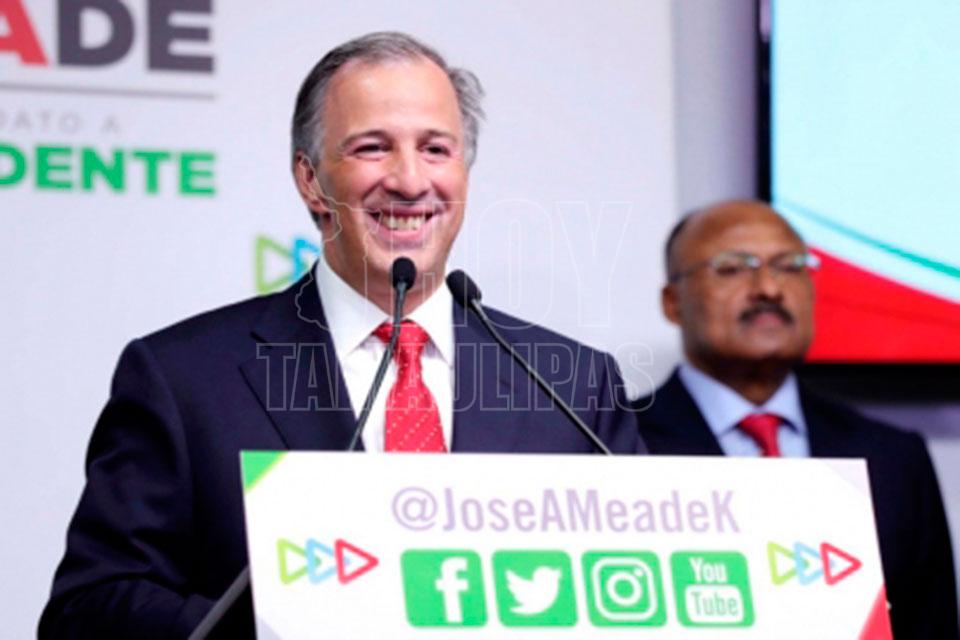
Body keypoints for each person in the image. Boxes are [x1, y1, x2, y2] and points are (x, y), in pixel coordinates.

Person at [40, 32, 641, 638]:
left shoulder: (573, 387)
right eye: (373, 148)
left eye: (435, 149)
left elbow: (644, 590)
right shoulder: (184, 379)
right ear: (311, 180)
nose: (410, 181)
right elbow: (88, 610)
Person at [635, 199, 957, 639]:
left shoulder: (894, 456)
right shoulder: (614, 444)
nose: (769, 288)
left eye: (790, 266)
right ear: (673, 302)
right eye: (733, 267)